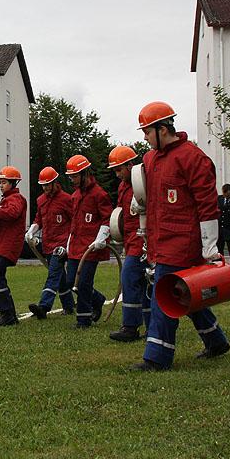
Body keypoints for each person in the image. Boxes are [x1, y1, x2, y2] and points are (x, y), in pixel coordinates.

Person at [132, 101, 230, 370]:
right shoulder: (150, 159)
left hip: (182, 243)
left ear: (162, 129)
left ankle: (156, 358)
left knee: (164, 296)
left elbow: (207, 206)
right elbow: (148, 198)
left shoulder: (193, 158)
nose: (144, 137)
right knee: (184, 294)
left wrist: (209, 248)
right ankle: (216, 341)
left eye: (147, 132)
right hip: (160, 241)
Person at [106, 145, 151, 342]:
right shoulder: (123, 186)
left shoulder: (144, 182)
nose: (117, 174)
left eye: (119, 170)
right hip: (131, 241)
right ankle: (150, 326)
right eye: (115, 171)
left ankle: (131, 327)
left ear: (130, 165)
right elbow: (121, 213)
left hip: (143, 240)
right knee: (144, 283)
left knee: (130, 277)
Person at [64, 154, 111, 329]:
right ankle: (97, 299)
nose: (72, 180)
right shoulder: (75, 195)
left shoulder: (99, 194)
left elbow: (107, 219)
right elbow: (74, 222)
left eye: (75, 176)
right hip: (76, 246)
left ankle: (83, 320)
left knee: (83, 283)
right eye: (71, 176)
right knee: (71, 282)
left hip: (91, 248)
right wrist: (69, 242)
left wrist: (101, 238)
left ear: (85, 174)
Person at [0, 166, 29, 328]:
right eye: (0, 182)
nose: (1, 185)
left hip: (7, 245)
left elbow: (11, 213)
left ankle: (7, 314)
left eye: (4, 182)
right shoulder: (9, 199)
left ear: (13, 183)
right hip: (2, 244)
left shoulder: (16, 198)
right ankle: (9, 314)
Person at [27, 166, 75, 319]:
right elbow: (38, 220)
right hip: (47, 244)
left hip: (60, 245)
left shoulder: (66, 199)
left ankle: (44, 306)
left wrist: (69, 243)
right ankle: (69, 306)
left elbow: (74, 221)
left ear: (55, 183)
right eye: (43, 185)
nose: (45, 188)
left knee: (53, 274)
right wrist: (31, 231)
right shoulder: (41, 200)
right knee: (61, 278)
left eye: (47, 184)